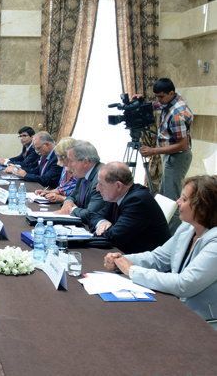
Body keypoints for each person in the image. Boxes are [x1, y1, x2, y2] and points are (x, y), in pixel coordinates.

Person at [104, 175, 217, 324]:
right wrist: (122, 260)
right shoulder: (187, 228)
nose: (178, 202)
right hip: (176, 307)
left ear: (202, 208)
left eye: (184, 199)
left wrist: (131, 270)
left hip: (203, 322)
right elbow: (158, 258)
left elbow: (184, 284)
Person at [137, 78, 193, 234]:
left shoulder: (178, 113)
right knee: (163, 196)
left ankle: (169, 237)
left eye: (160, 97)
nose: (158, 101)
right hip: (171, 155)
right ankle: (160, 230)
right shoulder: (169, 100)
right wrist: (143, 102)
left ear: (171, 93)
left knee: (171, 200)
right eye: (156, 97)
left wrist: (153, 151)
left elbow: (182, 145)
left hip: (178, 156)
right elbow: (156, 105)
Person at [89, 162, 171, 254]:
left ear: (118, 186)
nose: (97, 188)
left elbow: (113, 237)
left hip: (147, 262)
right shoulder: (117, 196)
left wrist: (99, 231)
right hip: (126, 252)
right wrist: (102, 222)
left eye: (102, 184)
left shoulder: (138, 201)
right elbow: (94, 217)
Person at [55, 140, 106, 224]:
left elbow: (90, 214)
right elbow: (72, 196)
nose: (69, 165)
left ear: (85, 162)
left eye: (71, 161)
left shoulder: (100, 179)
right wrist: (68, 202)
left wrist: (72, 209)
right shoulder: (82, 173)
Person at [34, 136, 76, 204]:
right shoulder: (65, 168)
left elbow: (81, 201)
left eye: (63, 156)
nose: (60, 159)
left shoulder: (80, 173)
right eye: (58, 156)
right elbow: (61, 189)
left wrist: (62, 198)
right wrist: (48, 192)